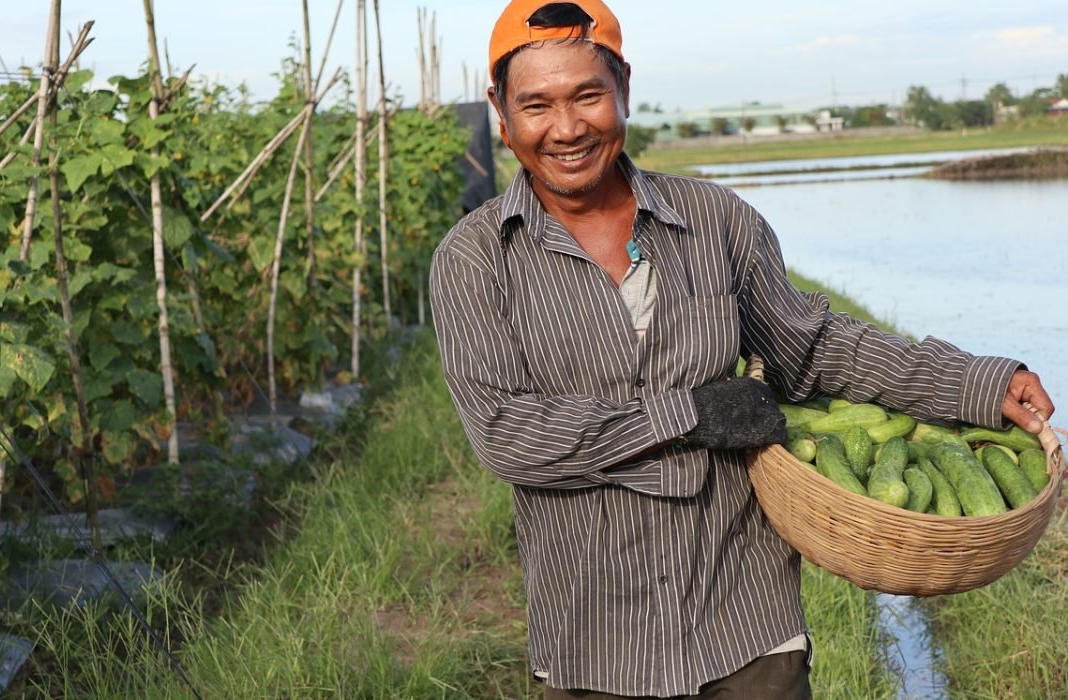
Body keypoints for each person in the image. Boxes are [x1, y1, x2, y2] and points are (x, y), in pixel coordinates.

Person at [428, 0, 1056, 697]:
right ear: (501, 112)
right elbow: (506, 435)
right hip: (595, 643)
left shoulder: (716, 222)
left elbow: (813, 349)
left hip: (748, 627)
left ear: (624, 89)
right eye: (537, 104)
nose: (568, 127)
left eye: (587, 95)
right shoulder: (475, 259)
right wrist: (689, 415)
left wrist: (975, 383)